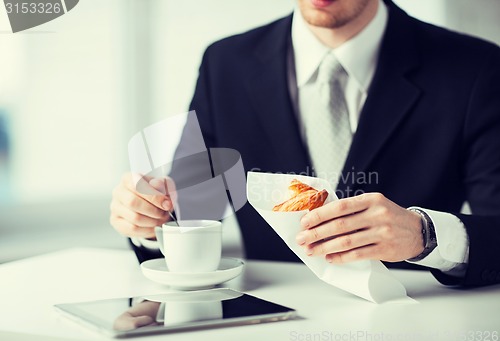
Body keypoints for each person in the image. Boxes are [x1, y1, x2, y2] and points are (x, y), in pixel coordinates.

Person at [110, 0, 500, 287]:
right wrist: (149, 220)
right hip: (266, 325)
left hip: (414, 324)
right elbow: (189, 211)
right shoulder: (225, 63)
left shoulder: (475, 69)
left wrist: (424, 233)